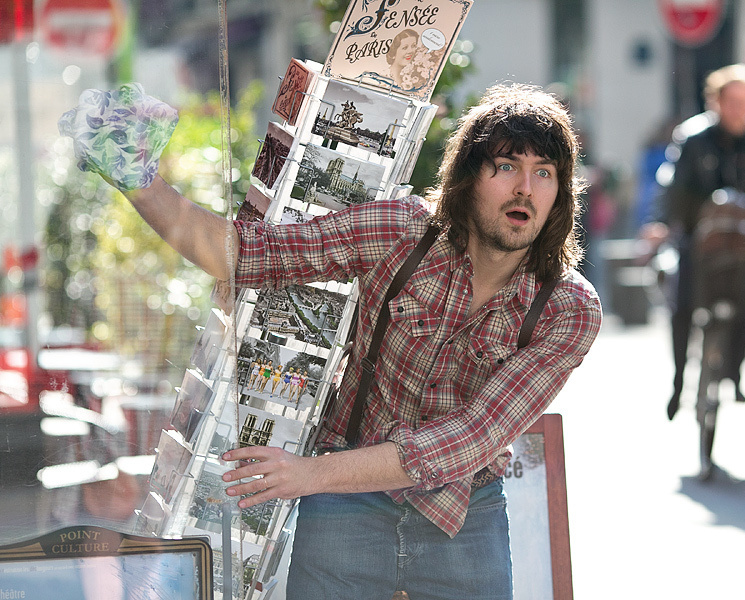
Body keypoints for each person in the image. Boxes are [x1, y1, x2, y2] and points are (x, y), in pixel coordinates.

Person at [104, 83, 601, 599]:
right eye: (505, 167)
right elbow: (250, 255)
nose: (525, 188)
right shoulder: (401, 233)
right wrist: (139, 180)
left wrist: (308, 475)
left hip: (463, 518)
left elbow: (474, 436)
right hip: (345, 510)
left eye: (544, 173)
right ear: (468, 177)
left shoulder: (568, 308)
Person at [641, 63, 745, 420]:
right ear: (716, 101)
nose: (739, 109)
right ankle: (678, 385)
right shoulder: (692, 138)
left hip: (744, 244)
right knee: (681, 307)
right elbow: (670, 186)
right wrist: (661, 225)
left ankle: (734, 375)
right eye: (732, 100)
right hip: (695, 242)